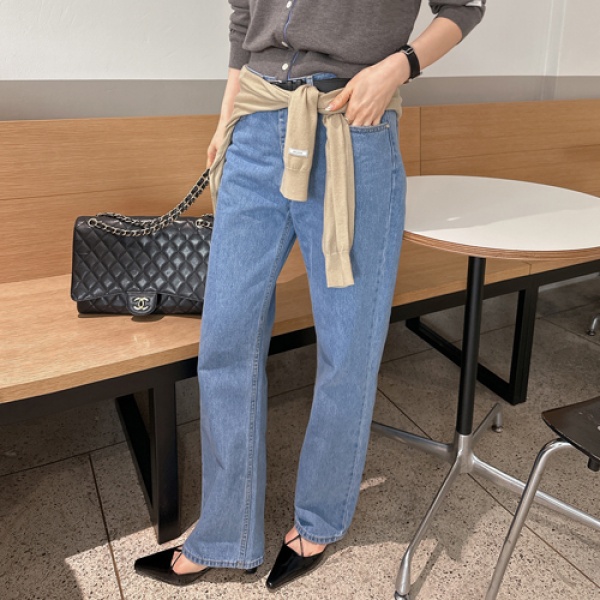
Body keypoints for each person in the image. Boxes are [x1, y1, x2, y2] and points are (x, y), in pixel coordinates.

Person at [135, 0, 486, 591]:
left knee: (348, 345)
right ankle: (223, 533)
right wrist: (226, 119)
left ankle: (319, 521)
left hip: (350, 126)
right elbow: (244, 18)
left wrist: (396, 68)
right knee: (226, 338)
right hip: (255, 123)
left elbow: (466, 6)